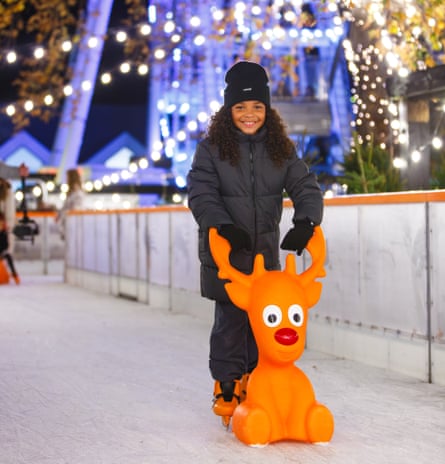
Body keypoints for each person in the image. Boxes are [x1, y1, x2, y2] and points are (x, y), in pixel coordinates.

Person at [186, 60, 324, 424]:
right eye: (241, 107)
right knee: (230, 322)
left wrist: (306, 220)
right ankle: (227, 384)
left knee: (260, 325)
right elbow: (200, 193)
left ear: (267, 109)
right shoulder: (211, 149)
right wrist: (222, 224)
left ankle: (256, 379)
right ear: (229, 109)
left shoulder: (281, 149)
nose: (250, 115)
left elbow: (305, 185)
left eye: (257, 107)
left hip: (264, 259)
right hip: (226, 257)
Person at [56, 168, 86, 240]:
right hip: (67, 225)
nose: (66, 179)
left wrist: (62, 214)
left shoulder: (78, 194)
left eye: (67, 177)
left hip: (73, 226)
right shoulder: (71, 193)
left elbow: (75, 210)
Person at [0, 178, 20, 284]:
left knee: (6, 253)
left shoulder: (7, 193)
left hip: (4, 230)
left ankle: (13, 274)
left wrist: (8, 228)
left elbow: (9, 214)